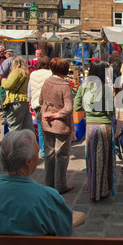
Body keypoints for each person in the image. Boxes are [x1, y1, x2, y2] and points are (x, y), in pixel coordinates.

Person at [0, 129, 73, 236]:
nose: (38, 158)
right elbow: (65, 231)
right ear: (28, 162)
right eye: (37, 153)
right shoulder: (47, 197)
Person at [74, 60, 115, 201]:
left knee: (92, 159)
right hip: (104, 127)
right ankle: (103, 189)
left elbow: (77, 106)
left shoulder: (83, 87)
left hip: (90, 127)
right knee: (104, 160)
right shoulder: (106, 89)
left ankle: (94, 189)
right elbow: (110, 112)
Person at [39, 57, 74, 194]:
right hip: (61, 125)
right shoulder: (64, 86)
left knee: (49, 154)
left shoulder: (46, 82)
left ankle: (49, 184)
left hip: (46, 123)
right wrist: (56, 114)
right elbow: (68, 108)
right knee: (62, 155)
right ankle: (60, 185)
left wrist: (49, 112)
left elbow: (41, 100)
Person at [1, 56, 34, 132]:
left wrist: (3, 80)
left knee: (14, 126)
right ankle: (29, 143)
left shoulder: (16, 72)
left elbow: (8, 85)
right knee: (27, 126)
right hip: (26, 100)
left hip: (16, 101)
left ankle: (14, 143)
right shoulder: (27, 72)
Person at [28, 56, 52, 158]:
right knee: (50, 128)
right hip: (48, 104)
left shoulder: (33, 74)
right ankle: (50, 149)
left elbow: (30, 89)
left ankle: (43, 151)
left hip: (36, 103)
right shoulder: (51, 74)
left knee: (40, 127)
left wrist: (30, 101)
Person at [0, 48, 15, 113]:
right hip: (15, 82)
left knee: (5, 97)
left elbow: (2, 73)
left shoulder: (7, 61)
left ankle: (6, 111)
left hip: (6, 81)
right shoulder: (16, 60)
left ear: (8, 54)